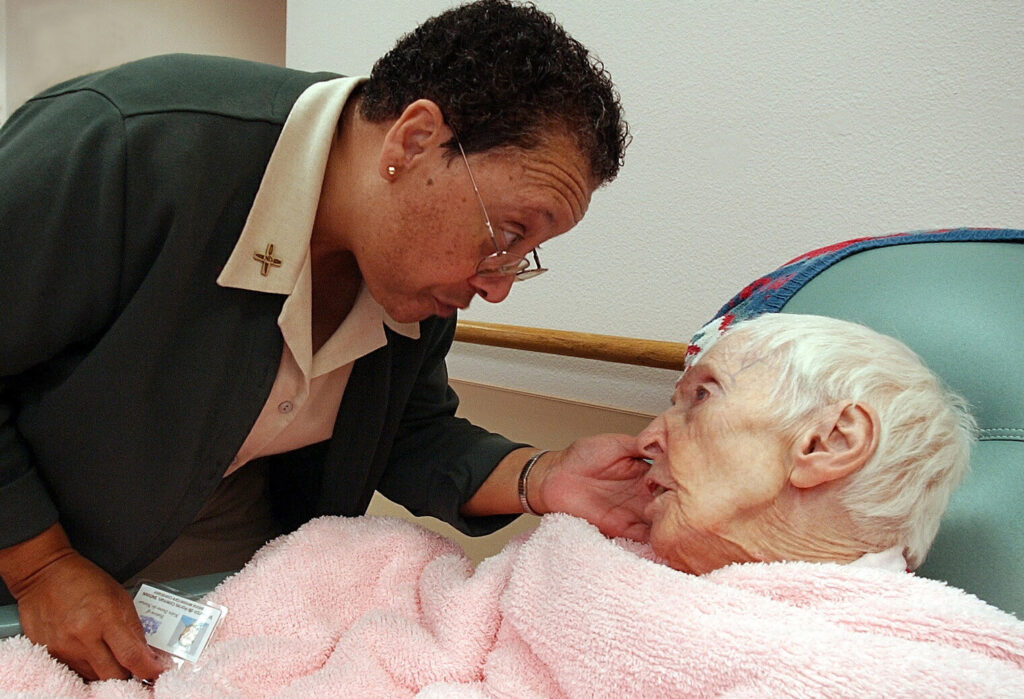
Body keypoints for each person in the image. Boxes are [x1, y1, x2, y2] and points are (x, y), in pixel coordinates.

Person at [0, 0, 649, 682]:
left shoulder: (413, 273)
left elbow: (407, 433)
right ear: (412, 141)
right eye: (510, 234)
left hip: (207, 555)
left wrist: (541, 476)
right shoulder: (131, 144)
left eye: (525, 256)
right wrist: (41, 565)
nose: (498, 286)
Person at [636, 312, 976, 574]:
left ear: (829, 442)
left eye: (702, 395)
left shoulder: (928, 658)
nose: (646, 441)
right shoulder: (611, 555)